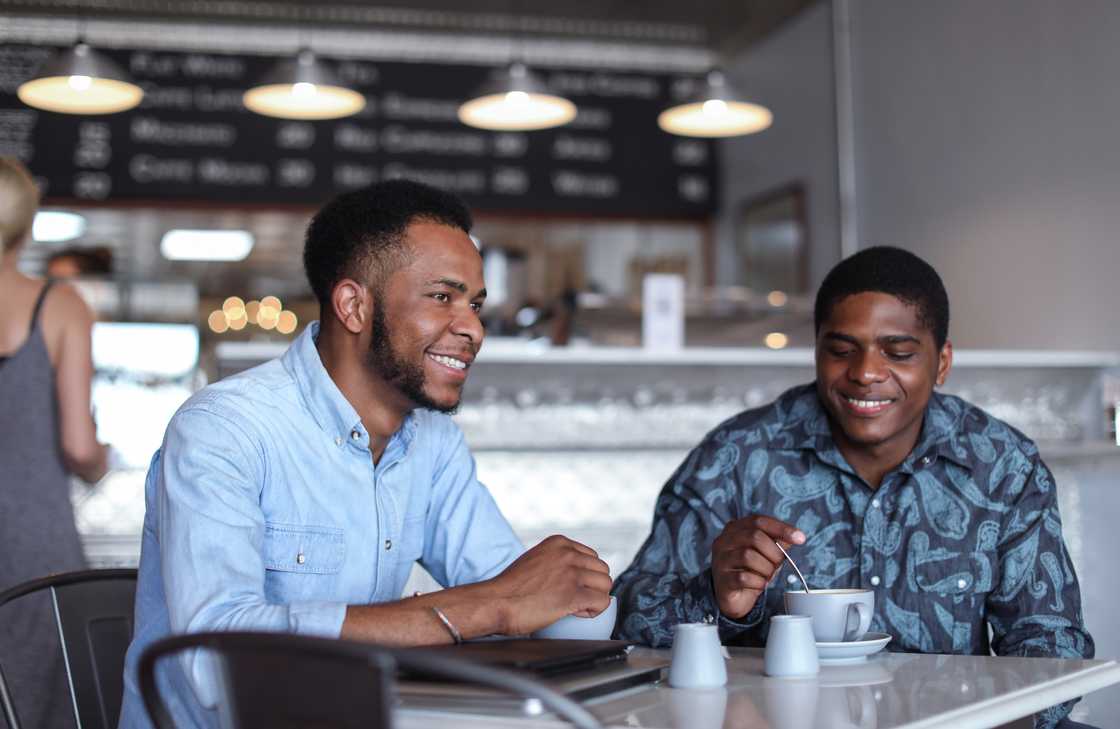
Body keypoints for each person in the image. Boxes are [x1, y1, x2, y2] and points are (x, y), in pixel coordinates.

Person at [117, 180, 613, 728]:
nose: (473, 328)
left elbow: (517, 590)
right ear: (354, 306)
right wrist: (487, 606)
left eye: (474, 304)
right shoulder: (224, 430)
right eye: (442, 297)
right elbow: (217, 664)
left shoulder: (432, 441)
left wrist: (569, 593)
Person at [613, 246, 1093, 729]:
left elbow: (1051, 645)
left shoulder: (1002, 466)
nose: (865, 373)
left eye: (898, 353)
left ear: (942, 363)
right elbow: (627, 622)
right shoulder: (737, 457)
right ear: (816, 353)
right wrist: (714, 597)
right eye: (841, 351)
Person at [0, 159, 108, 728]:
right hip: (32, 548)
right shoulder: (60, 306)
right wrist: (100, 461)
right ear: (26, 225)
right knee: (41, 706)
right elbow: (79, 446)